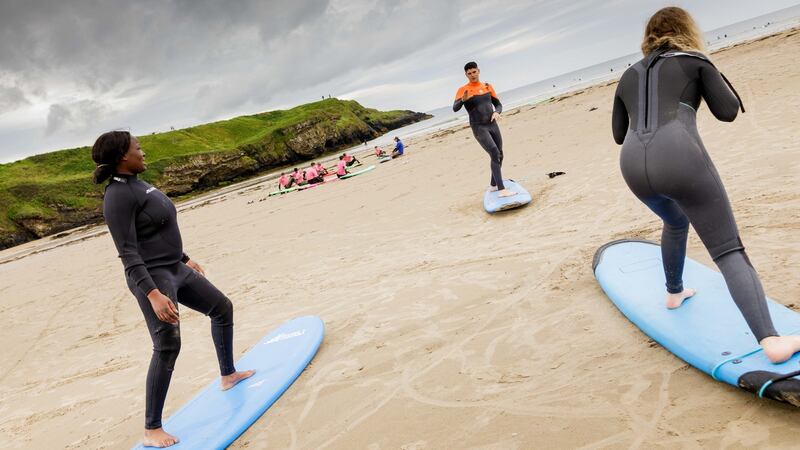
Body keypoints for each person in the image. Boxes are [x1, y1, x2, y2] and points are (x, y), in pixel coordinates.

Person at [611, 6, 800, 363]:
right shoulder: (694, 60)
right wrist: (705, 67)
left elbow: (618, 133)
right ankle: (772, 341)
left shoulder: (626, 75)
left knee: (675, 221)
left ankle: (674, 292)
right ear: (687, 30)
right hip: (680, 158)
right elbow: (728, 110)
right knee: (728, 250)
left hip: (634, 166)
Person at [91, 131, 255, 448]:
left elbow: (156, 229)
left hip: (174, 268)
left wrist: (184, 258)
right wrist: (152, 294)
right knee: (167, 345)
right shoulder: (118, 195)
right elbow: (128, 252)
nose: (142, 150)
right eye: (137, 147)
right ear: (123, 155)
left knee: (222, 308)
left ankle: (228, 374)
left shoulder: (139, 184)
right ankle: (152, 429)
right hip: (153, 277)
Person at [453, 61, 515, 198]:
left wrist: (497, 112)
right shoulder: (463, 90)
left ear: (478, 71)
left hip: (492, 124)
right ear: (466, 74)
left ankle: (493, 185)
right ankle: (501, 189)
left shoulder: (487, 86)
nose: (472, 75)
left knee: (500, 154)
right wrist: (463, 99)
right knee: (494, 152)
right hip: (478, 126)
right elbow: (455, 108)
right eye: (469, 73)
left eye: (474, 72)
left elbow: (498, 104)